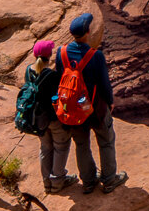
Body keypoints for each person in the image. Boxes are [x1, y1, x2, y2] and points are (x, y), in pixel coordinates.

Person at [53, 10, 124, 194]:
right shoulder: (95, 55)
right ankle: (109, 180)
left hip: (74, 108)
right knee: (106, 141)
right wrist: (110, 102)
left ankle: (89, 182)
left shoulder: (61, 53)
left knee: (82, 144)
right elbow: (104, 83)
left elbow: (60, 80)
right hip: (94, 108)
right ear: (87, 33)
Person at [14, 36, 66, 191]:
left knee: (45, 147)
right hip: (52, 119)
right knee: (60, 147)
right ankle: (57, 182)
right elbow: (55, 97)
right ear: (49, 56)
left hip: (36, 120)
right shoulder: (52, 75)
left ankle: (46, 182)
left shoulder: (28, 71)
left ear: (35, 55)